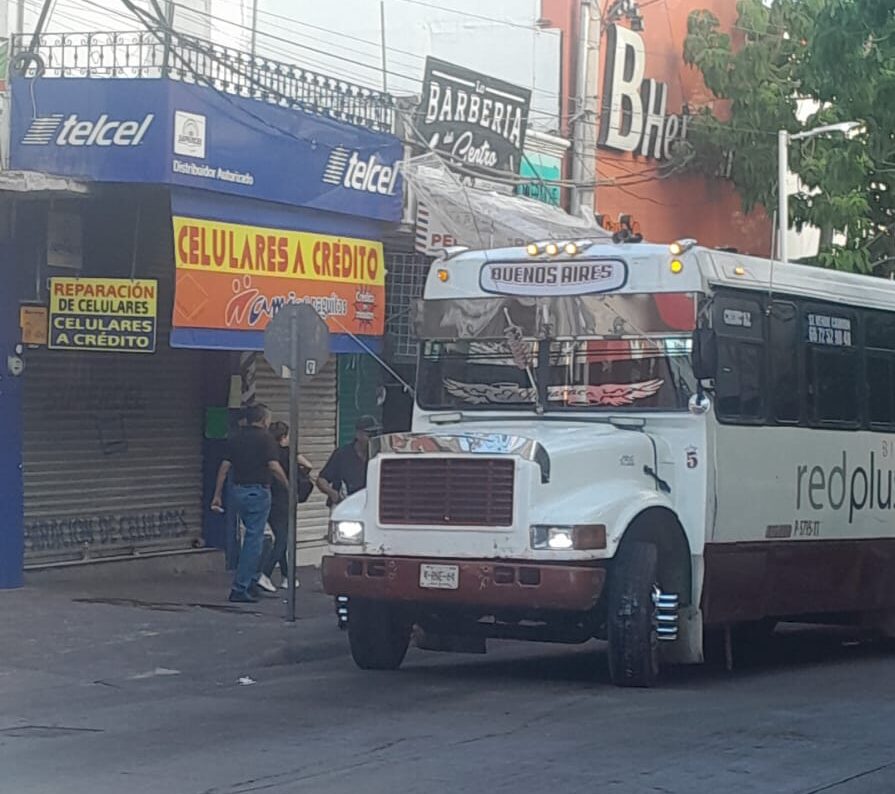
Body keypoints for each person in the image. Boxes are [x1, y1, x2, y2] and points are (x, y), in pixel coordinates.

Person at [211, 403, 288, 603]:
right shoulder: (266, 439)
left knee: (262, 537)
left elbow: (224, 467)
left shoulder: (235, 438)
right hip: (258, 492)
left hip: (237, 491)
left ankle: (253, 580)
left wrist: (217, 494)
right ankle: (241, 587)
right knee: (254, 541)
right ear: (263, 420)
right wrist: (288, 485)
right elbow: (273, 466)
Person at [256, 421, 314, 593]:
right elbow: (309, 465)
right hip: (284, 499)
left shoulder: (265, 453)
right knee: (283, 538)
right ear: (283, 438)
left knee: (280, 535)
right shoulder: (288, 453)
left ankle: (287, 576)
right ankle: (264, 574)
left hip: (268, 497)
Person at [316, 415, 380, 507]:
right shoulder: (342, 454)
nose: (373, 439)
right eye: (370, 435)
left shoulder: (379, 456)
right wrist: (333, 493)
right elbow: (321, 480)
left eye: (376, 435)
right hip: (344, 506)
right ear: (358, 434)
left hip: (370, 506)